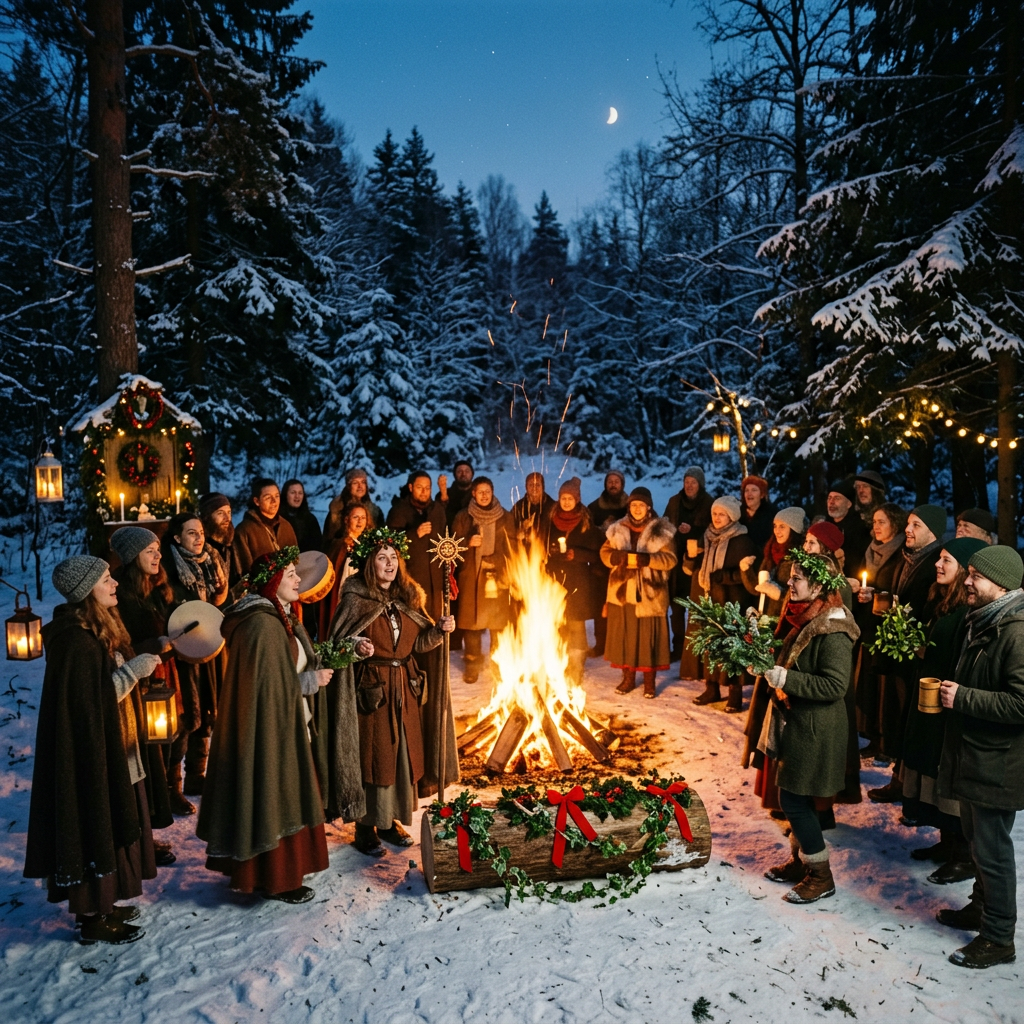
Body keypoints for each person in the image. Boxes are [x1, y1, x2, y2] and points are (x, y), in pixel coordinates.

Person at [197, 548, 352, 904]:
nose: (299, 580)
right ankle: (276, 876)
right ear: (274, 582)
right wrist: (310, 682)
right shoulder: (262, 625)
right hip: (270, 731)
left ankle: (279, 871)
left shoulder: (278, 615)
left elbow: (281, 673)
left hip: (285, 722)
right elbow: (266, 688)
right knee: (274, 795)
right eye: (292, 575)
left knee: (283, 794)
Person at [25, 556, 160, 945]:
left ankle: (107, 903)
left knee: (112, 822)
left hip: (112, 748)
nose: (114, 583)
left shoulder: (96, 630)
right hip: (91, 758)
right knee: (92, 823)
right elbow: (90, 706)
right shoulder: (77, 642)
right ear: (87, 592)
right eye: (105, 579)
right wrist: (133, 672)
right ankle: (92, 916)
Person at [328, 530, 456, 856]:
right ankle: (366, 826)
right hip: (373, 691)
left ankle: (388, 820)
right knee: (375, 758)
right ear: (370, 564)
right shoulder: (355, 600)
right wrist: (357, 646)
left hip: (406, 687)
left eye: (394, 558)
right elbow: (337, 644)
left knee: (401, 757)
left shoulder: (408, 599)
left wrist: (440, 631)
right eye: (382, 558)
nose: (390, 564)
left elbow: (419, 643)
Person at [935, 545, 1024, 970]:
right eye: (967, 573)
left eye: (976, 576)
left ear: (1001, 584)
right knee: (976, 841)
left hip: (998, 763)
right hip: (975, 756)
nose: (967, 581)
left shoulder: (1017, 632)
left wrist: (963, 697)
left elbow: (1021, 704)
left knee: (993, 851)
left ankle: (998, 938)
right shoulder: (986, 620)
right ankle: (980, 910)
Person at [759, 549, 859, 904]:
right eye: (791, 577)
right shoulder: (805, 617)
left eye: (797, 578)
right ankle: (803, 863)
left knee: (794, 799)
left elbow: (834, 686)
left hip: (818, 729)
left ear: (818, 586)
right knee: (796, 796)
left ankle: (820, 874)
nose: (790, 583)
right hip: (801, 723)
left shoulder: (833, 628)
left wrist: (788, 679)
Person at [901, 537, 987, 885]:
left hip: (948, 707)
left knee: (947, 776)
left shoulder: (967, 613)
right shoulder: (941, 603)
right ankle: (945, 842)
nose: (938, 565)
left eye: (946, 561)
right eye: (939, 559)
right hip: (929, 702)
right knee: (932, 774)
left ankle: (964, 855)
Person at [110, 526, 196, 821]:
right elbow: (118, 642)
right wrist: (151, 645)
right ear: (133, 556)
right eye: (150, 550)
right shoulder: (119, 593)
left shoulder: (162, 585)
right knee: (152, 737)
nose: (158, 555)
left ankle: (174, 788)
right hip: (143, 674)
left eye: (158, 549)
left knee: (181, 726)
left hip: (170, 668)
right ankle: (154, 796)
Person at [869, 503, 948, 802]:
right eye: (909, 524)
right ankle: (901, 780)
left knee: (910, 720)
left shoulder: (933, 564)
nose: (907, 529)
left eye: (916, 525)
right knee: (900, 718)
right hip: (900, 650)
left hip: (918, 655)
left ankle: (908, 786)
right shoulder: (907, 558)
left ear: (932, 532)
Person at [162, 512, 229, 797]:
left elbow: (220, 604)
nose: (199, 537)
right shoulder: (168, 571)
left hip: (212, 648)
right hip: (184, 654)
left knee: (210, 709)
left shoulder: (214, 563)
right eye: (191, 533)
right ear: (177, 538)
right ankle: (173, 786)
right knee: (187, 715)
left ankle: (196, 776)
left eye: (200, 531)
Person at [600, 486, 677, 699]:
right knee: (626, 635)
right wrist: (614, 557)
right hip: (623, 591)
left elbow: (671, 559)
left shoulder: (661, 530)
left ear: (648, 507)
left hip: (650, 593)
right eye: (633, 505)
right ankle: (628, 678)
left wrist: (648, 560)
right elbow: (604, 552)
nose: (636, 509)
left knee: (647, 637)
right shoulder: (617, 528)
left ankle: (649, 682)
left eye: (640, 505)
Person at [686, 495, 758, 711]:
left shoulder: (742, 540)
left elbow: (747, 573)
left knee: (731, 649)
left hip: (732, 602)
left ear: (732, 517)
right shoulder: (706, 537)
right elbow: (695, 567)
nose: (717, 518)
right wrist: (690, 558)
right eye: (715, 513)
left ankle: (734, 693)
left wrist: (723, 577)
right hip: (709, 600)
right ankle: (712, 687)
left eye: (722, 514)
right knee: (711, 646)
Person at [855, 503, 908, 760]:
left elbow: (896, 589)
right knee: (870, 685)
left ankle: (888, 743)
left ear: (895, 524)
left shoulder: (900, 552)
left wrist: (876, 594)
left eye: (882, 522)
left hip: (888, 629)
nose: (876, 527)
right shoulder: (870, 550)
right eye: (874, 522)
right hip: (868, 625)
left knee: (886, 689)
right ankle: (873, 737)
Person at [452, 477, 518, 683]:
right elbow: (451, 547)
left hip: (497, 577)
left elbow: (513, 545)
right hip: (472, 577)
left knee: (498, 624)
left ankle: (498, 663)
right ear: (473, 493)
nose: (484, 495)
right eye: (479, 491)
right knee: (472, 623)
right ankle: (472, 663)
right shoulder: (463, 517)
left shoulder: (505, 517)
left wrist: (498, 559)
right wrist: (467, 543)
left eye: (487, 491)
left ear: (493, 492)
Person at [543, 477, 604, 685]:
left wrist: (576, 555)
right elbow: (540, 544)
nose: (566, 502)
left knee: (576, 624)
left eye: (570, 498)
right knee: (557, 623)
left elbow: (598, 554)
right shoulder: (550, 520)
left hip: (579, 581)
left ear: (577, 499)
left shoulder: (586, 522)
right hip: (555, 581)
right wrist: (551, 552)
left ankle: (577, 665)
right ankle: (559, 663)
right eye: (563, 498)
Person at [663, 466, 714, 660]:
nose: (689, 485)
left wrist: (693, 530)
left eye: (693, 482)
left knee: (696, 606)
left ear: (700, 484)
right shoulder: (674, 502)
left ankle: (695, 649)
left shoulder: (709, 503)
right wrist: (676, 528)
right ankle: (677, 646)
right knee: (676, 606)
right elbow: (665, 524)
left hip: (698, 562)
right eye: (687, 482)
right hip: (676, 560)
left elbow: (713, 528)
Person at [386, 471, 449, 620]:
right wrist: (414, 534)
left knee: (436, 623)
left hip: (436, 580)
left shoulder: (437, 510)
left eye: (428, 488)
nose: (424, 491)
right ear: (410, 487)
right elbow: (389, 544)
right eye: (420, 487)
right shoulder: (398, 511)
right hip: (410, 578)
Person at [587, 470, 629, 657]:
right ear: (605, 484)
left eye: (616, 481)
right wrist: (602, 530)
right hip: (600, 564)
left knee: (622, 603)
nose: (613, 484)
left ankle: (621, 642)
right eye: (610, 481)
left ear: (622, 484)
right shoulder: (594, 508)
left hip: (625, 565)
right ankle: (601, 643)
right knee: (600, 605)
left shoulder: (632, 506)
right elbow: (586, 533)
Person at [233, 477, 299, 578]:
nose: (274, 501)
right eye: (268, 497)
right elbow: (243, 571)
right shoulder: (244, 530)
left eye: (277, 496)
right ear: (256, 501)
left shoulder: (286, 526)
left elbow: (296, 560)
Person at [749, 506, 807, 618]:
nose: (777, 531)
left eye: (782, 526)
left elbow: (804, 595)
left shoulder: (800, 557)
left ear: (793, 529)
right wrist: (746, 570)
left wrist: (780, 594)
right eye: (775, 526)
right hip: (766, 616)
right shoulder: (770, 551)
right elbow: (757, 587)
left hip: (787, 618)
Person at [323, 468, 384, 553]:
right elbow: (329, 540)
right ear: (348, 486)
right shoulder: (338, 510)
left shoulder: (375, 511)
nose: (360, 486)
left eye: (363, 482)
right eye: (355, 482)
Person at [826, 480, 871, 577]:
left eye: (837, 498)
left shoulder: (860, 529)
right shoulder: (824, 527)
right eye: (829, 498)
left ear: (848, 504)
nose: (831, 502)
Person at [199, 491, 243, 589]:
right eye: (220, 513)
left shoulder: (232, 544)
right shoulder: (201, 548)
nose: (227, 518)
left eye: (229, 512)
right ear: (207, 516)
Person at [513, 471, 555, 550]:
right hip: (524, 553)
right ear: (526, 487)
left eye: (538, 485)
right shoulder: (518, 507)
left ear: (543, 487)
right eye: (531, 485)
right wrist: (520, 530)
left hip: (546, 551)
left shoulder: (552, 507)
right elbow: (510, 529)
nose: (534, 488)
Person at [281, 479, 323, 552]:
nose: (297, 496)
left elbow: (317, 547)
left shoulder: (310, 519)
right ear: (285, 495)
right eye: (293, 492)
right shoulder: (278, 518)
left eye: (300, 493)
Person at [739, 475, 777, 551]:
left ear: (762, 495)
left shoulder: (772, 514)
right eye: (746, 490)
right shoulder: (737, 513)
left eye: (754, 490)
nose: (749, 493)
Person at [444, 460, 475, 526]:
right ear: (455, 475)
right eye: (459, 471)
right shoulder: (446, 494)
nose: (463, 474)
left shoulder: (479, 495)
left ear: (472, 474)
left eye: (467, 471)